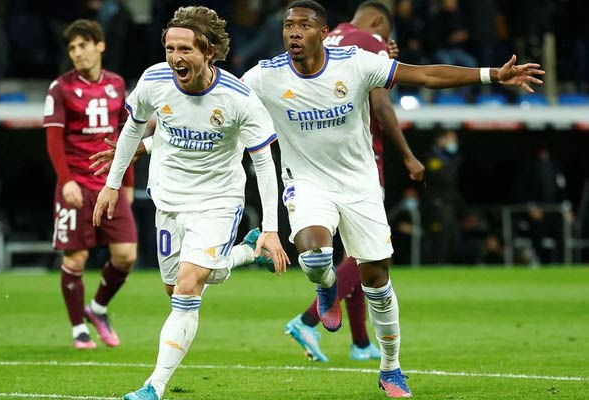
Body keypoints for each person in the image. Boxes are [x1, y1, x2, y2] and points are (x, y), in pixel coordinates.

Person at [240, 1, 543, 397]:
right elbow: (221, 104)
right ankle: (326, 288)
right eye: (288, 26)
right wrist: (153, 137)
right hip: (307, 182)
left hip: (360, 184)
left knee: (376, 280)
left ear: (322, 30)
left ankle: (390, 367)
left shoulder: (357, 61)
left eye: (304, 25)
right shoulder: (265, 75)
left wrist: (490, 74)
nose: (293, 32)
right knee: (314, 256)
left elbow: (427, 76)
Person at [92, 6, 289, 400]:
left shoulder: (238, 99)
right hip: (168, 199)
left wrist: (272, 228)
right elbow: (135, 128)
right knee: (181, 287)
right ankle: (246, 253)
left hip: (217, 201)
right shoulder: (154, 81)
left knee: (187, 287)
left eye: (185, 49)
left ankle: (154, 387)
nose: (176, 57)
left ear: (208, 51)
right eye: (170, 48)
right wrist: (112, 184)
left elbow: (264, 163)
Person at [286, 1, 425, 364]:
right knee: (370, 253)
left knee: (355, 253)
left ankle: (361, 342)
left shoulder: (327, 37)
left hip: (313, 155)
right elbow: (380, 105)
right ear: (380, 22)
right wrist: (408, 155)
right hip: (360, 157)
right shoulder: (369, 40)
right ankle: (308, 319)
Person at [43, 19, 138, 350]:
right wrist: (65, 180)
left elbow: (126, 137)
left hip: (109, 185)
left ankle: (97, 309)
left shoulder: (117, 84)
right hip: (76, 185)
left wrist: (127, 180)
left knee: (126, 255)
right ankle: (77, 330)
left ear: (100, 46)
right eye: (71, 48)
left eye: (82, 45)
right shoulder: (60, 88)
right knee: (76, 259)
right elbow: (53, 141)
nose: (77, 53)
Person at [421, 129, 464, 264]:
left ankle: (447, 265)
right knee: (439, 237)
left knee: (453, 237)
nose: (454, 143)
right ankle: (436, 265)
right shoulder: (433, 157)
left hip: (450, 204)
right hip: (436, 204)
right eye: (451, 140)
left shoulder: (451, 157)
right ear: (440, 140)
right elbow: (443, 178)